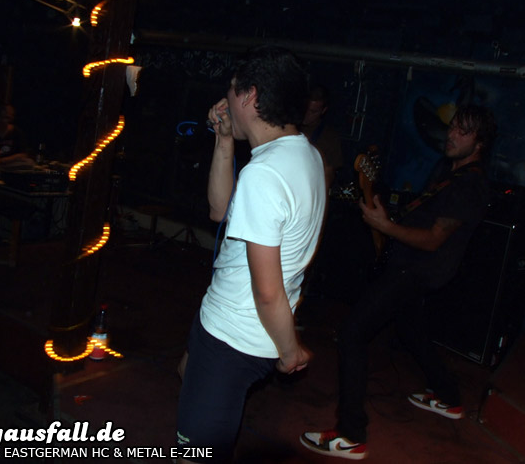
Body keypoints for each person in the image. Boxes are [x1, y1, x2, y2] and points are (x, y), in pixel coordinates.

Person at [300, 104, 497, 460]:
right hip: (411, 267)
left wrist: (385, 227)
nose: (452, 134)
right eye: (453, 126)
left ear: (479, 143)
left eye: (463, 131)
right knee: (411, 330)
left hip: (417, 272)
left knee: (352, 334)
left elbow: (434, 239)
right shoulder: (449, 173)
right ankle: (449, 396)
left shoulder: (470, 186)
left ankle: (351, 434)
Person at [175, 46, 326, 464]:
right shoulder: (303, 154)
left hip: (234, 335)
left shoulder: (265, 174)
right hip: (228, 324)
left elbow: (267, 292)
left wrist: (290, 351)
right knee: (188, 373)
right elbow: (219, 210)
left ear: (250, 95)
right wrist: (224, 139)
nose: (225, 97)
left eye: (231, 88)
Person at [300, 83, 343, 193]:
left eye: (313, 112)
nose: (307, 114)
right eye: (305, 109)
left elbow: (330, 175)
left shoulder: (330, 137)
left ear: (323, 110)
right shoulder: (290, 126)